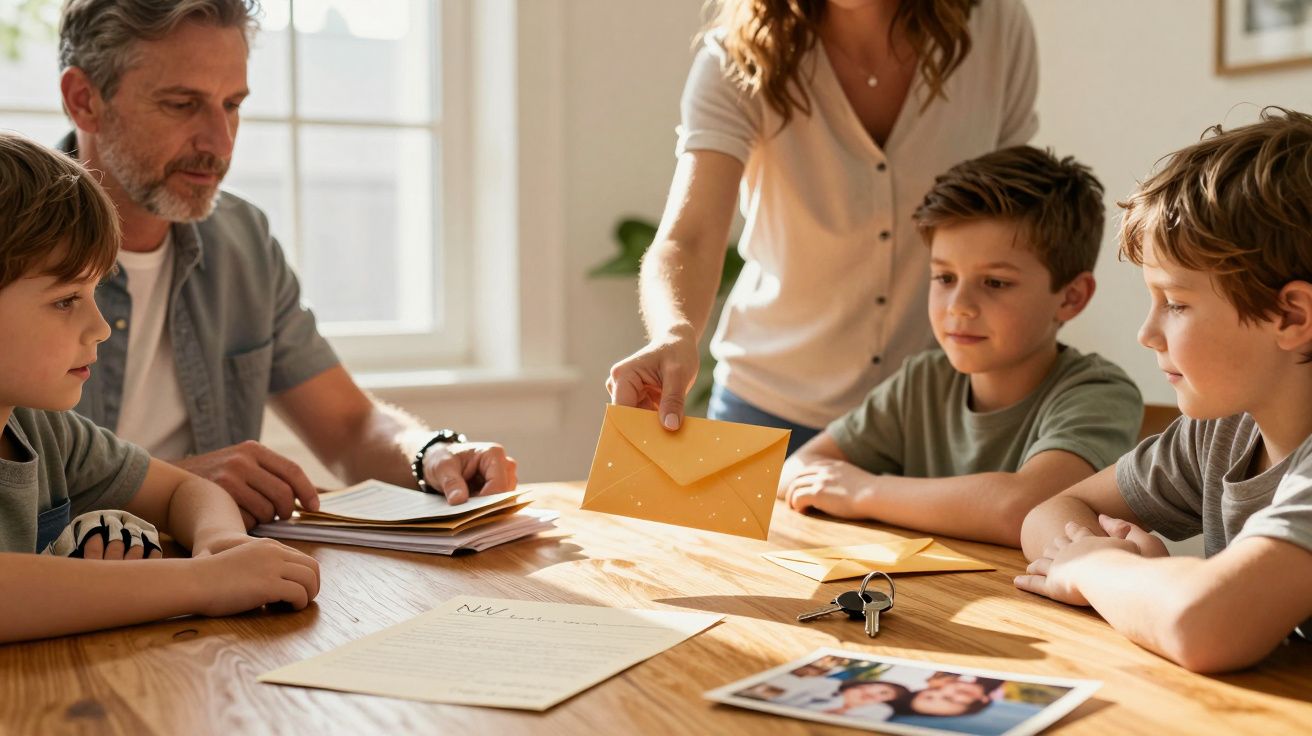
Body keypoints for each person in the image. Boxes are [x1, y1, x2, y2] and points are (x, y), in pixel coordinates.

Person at [55, 0, 515, 528]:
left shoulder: (242, 240)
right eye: (182, 104)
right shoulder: (14, 250)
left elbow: (350, 426)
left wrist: (432, 452)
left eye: (232, 105)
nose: (220, 142)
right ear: (84, 99)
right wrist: (177, 486)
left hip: (223, 574)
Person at [607, 0, 1040, 454]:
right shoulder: (734, 59)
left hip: (936, 421)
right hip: (767, 415)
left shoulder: (996, 26)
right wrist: (673, 333)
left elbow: (1012, 215)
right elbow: (689, 238)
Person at [1016, 108, 1312, 673]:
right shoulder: (1222, 431)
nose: (1146, 333)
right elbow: (1052, 511)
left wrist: (1097, 568)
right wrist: (1120, 560)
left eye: (1175, 303)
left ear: (1290, 314)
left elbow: (1207, 626)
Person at [0, 131, 319, 643]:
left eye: (93, 292)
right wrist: (201, 582)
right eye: (66, 301)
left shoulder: (43, 430)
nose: (100, 327)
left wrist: (222, 543)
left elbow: (186, 490)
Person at [778, 147, 1142, 546]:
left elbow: (1025, 508)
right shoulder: (923, 380)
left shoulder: (1101, 394)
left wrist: (865, 492)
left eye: (995, 283)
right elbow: (801, 467)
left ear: (1071, 297)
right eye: (944, 277)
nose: (959, 307)